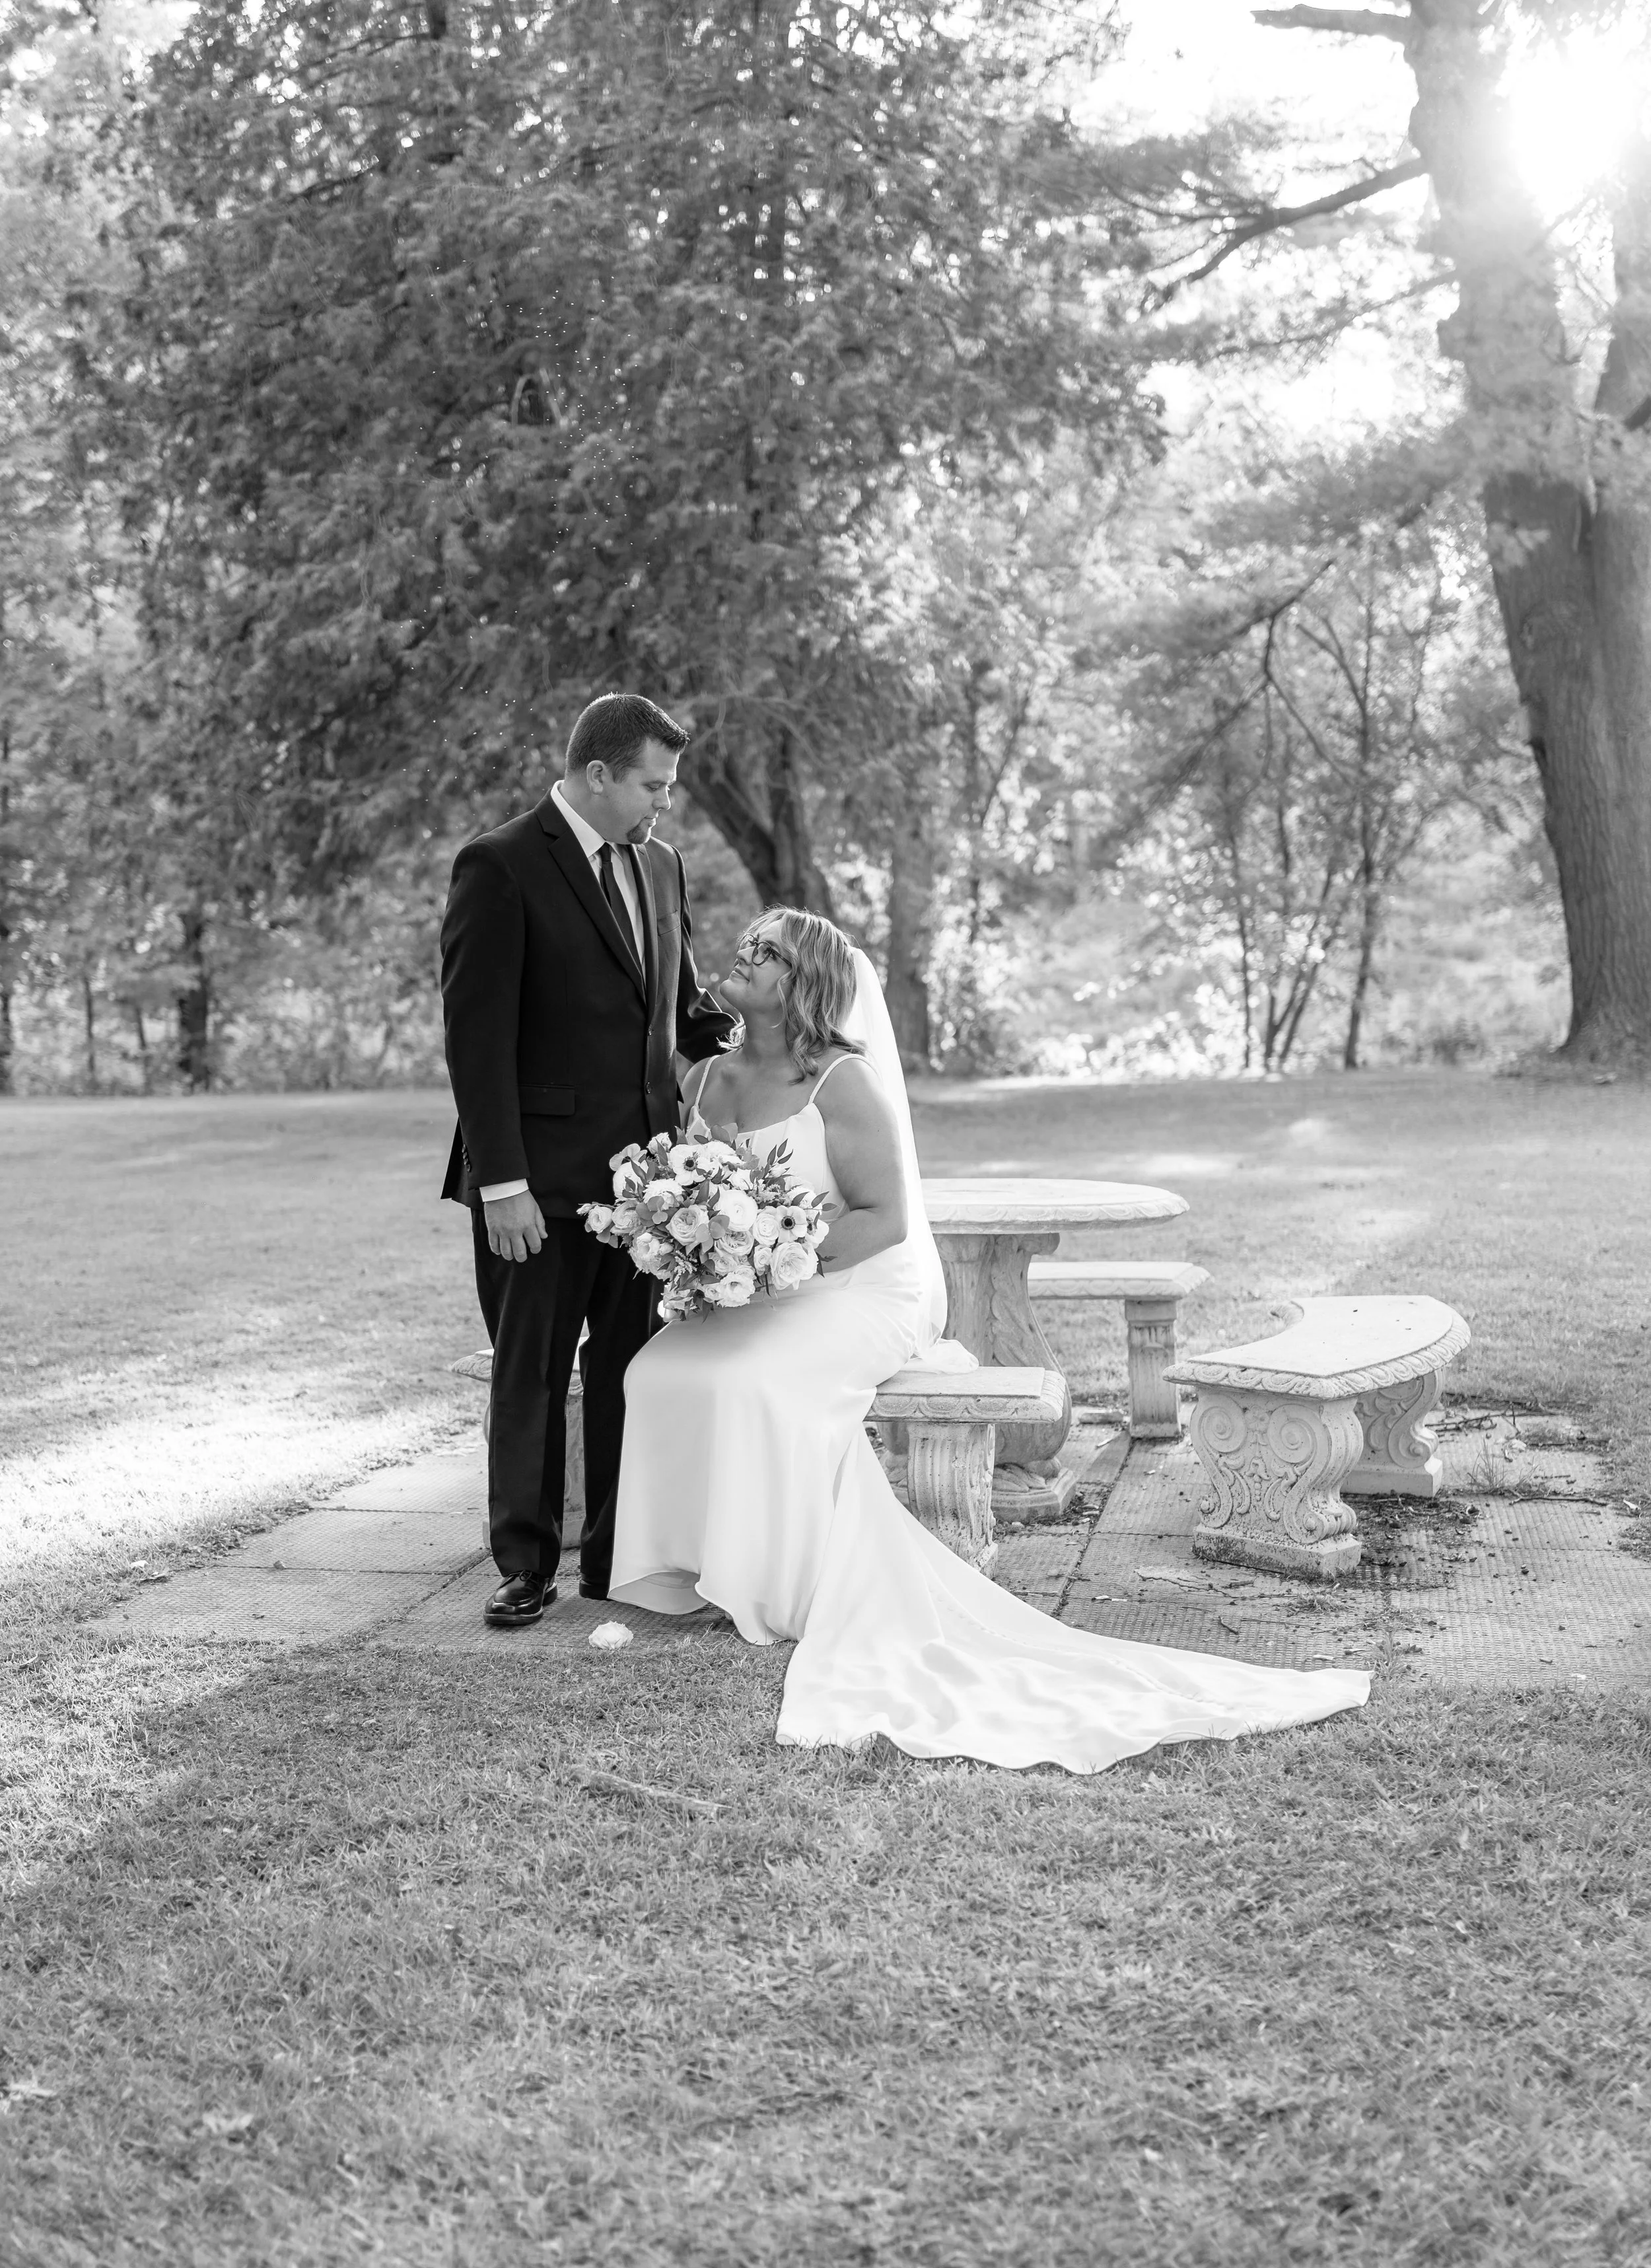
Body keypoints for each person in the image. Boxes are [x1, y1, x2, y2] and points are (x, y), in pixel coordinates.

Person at [609, 909, 1370, 1773]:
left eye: (767, 953)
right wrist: (712, 1258)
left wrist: (775, 1262)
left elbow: (885, 1221)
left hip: (852, 1287)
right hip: (760, 1286)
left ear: (805, 984)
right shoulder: (706, 1077)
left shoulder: (842, 1083)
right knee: (657, 1368)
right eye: (747, 944)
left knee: (755, 1382)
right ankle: (689, 1563)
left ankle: (770, 1581)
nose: (743, 955)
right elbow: (701, 1191)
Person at [439, 693, 734, 1629]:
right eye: (653, 785)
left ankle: (616, 1559)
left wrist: (779, 1034)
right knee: (530, 1372)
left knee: (627, 1372)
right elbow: (475, 1041)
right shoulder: (499, 865)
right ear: (598, 774)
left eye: (670, 787)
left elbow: (679, 1011)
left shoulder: (662, 865)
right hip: (533, 1184)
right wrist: (503, 1183)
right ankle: (526, 1565)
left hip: (646, 1189)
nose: (665, 804)